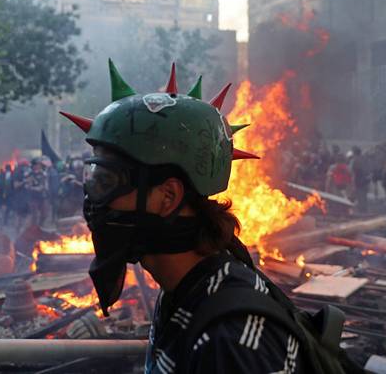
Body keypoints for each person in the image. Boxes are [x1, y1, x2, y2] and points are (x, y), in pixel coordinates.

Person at [59, 60, 356, 374]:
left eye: (107, 182)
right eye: (92, 178)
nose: (93, 198)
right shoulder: (185, 292)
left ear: (168, 197)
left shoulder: (229, 343)